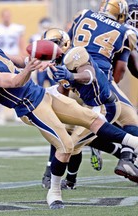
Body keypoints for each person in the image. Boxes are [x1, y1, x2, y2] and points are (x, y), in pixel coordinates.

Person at [0, 22, 138, 209]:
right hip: (30, 107)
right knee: (66, 146)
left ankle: (134, 142)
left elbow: (19, 60)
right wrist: (29, 69)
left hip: (42, 94)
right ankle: (54, 192)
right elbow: (15, 81)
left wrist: (36, 61)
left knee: (92, 119)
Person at [67, 0, 138, 185]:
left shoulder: (82, 14)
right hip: (97, 80)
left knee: (69, 127)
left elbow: (65, 46)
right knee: (129, 117)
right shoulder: (126, 32)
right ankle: (127, 158)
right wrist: (110, 87)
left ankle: (53, 175)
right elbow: (121, 69)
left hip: (71, 77)